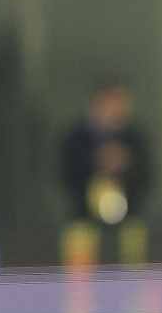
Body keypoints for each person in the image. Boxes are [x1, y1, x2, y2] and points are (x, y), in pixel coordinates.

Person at [61, 79, 152, 225]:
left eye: (121, 103)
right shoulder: (76, 139)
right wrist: (95, 161)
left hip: (129, 220)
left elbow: (147, 177)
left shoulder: (135, 140)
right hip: (82, 219)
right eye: (110, 103)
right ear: (95, 105)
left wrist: (127, 164)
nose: (116, 110)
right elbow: (66, 175)